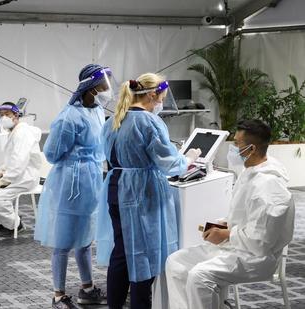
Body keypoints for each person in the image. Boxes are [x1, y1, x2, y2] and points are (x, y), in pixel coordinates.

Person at [95, 74, 202, 309]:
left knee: (122, 252)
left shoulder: (113, 120)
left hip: (116, 187)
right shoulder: (149, 122)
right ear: (153, 95)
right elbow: (169, 163)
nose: (164, 100)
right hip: (140, 192)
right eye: (163, 96)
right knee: (143, 253)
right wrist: (189, 158)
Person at [164, 119, 295, 309]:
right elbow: (243, 217)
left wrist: (227, 234)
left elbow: (261, 242)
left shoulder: (269, 187)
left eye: (236, 144)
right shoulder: (250, 171)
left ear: (251, 149)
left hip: (256, 257)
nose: (232, 149)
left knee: (199, 276)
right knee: (175, 262)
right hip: (236, 245)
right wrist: (223, 225)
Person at [35, 64, 112, 309]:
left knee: (85, 238)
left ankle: (87, 288)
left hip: (91, 178)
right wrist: (78, 159)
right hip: (71, 181)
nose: (107, 89)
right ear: (91, 87)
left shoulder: (98, 111)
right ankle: (58, 294)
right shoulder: (69, 116)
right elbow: (52, 153)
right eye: (104, 84)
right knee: (64, 240)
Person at [0, 102, 42, 236]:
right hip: (16, 174)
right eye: (1, 115)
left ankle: (15, 225)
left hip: (25, 177)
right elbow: (11, 158)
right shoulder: (14, 132)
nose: (4, 118)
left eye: (7, 115)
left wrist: (6, 180)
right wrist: (2, 170)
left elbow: (19, 162)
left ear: (16, 115)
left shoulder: (22, 133)